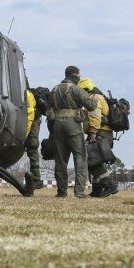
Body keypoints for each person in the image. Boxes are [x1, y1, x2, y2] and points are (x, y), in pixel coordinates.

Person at [48, 66, 98, 198]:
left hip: (57, 125)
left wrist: (52, 131)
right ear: (75, 76)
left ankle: (61, 192)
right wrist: (95, 99)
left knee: (60, 159)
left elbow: (49, 112)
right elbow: (91, 106)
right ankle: (79, 192)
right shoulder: (76, 89)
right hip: (73, 125)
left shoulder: (54, 89)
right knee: (80, 156)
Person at [78, 77, 118, 198]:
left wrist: (93, 133)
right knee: (95, 161)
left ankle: (110, 185)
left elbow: (95, 117)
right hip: (104, 133)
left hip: (99, 133)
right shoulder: (100, 97)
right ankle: (97, 190)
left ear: (85, 89)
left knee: (92, 161)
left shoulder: (93, 98)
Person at [24, 82, 44, 190]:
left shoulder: (27, 94)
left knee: (32, 146)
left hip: (33, 121)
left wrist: (25, 134)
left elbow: (29, 114)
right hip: (29, 120)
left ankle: (36, 179)